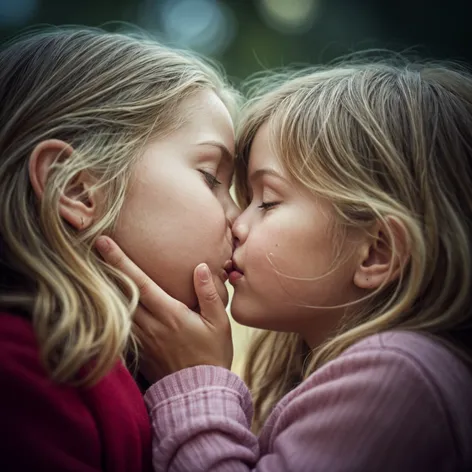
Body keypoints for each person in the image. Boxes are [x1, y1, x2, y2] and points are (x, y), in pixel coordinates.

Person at [98, 60, 472, 471]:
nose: (237, 223)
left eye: (268, 202)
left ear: (376, 252)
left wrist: (195, 379)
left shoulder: (399, 378)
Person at [0, 27, 239, 471]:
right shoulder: (23, 371)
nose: (240, 219)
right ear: (75, 188)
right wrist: (201, 388)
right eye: (210, 178)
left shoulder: (127, 371)